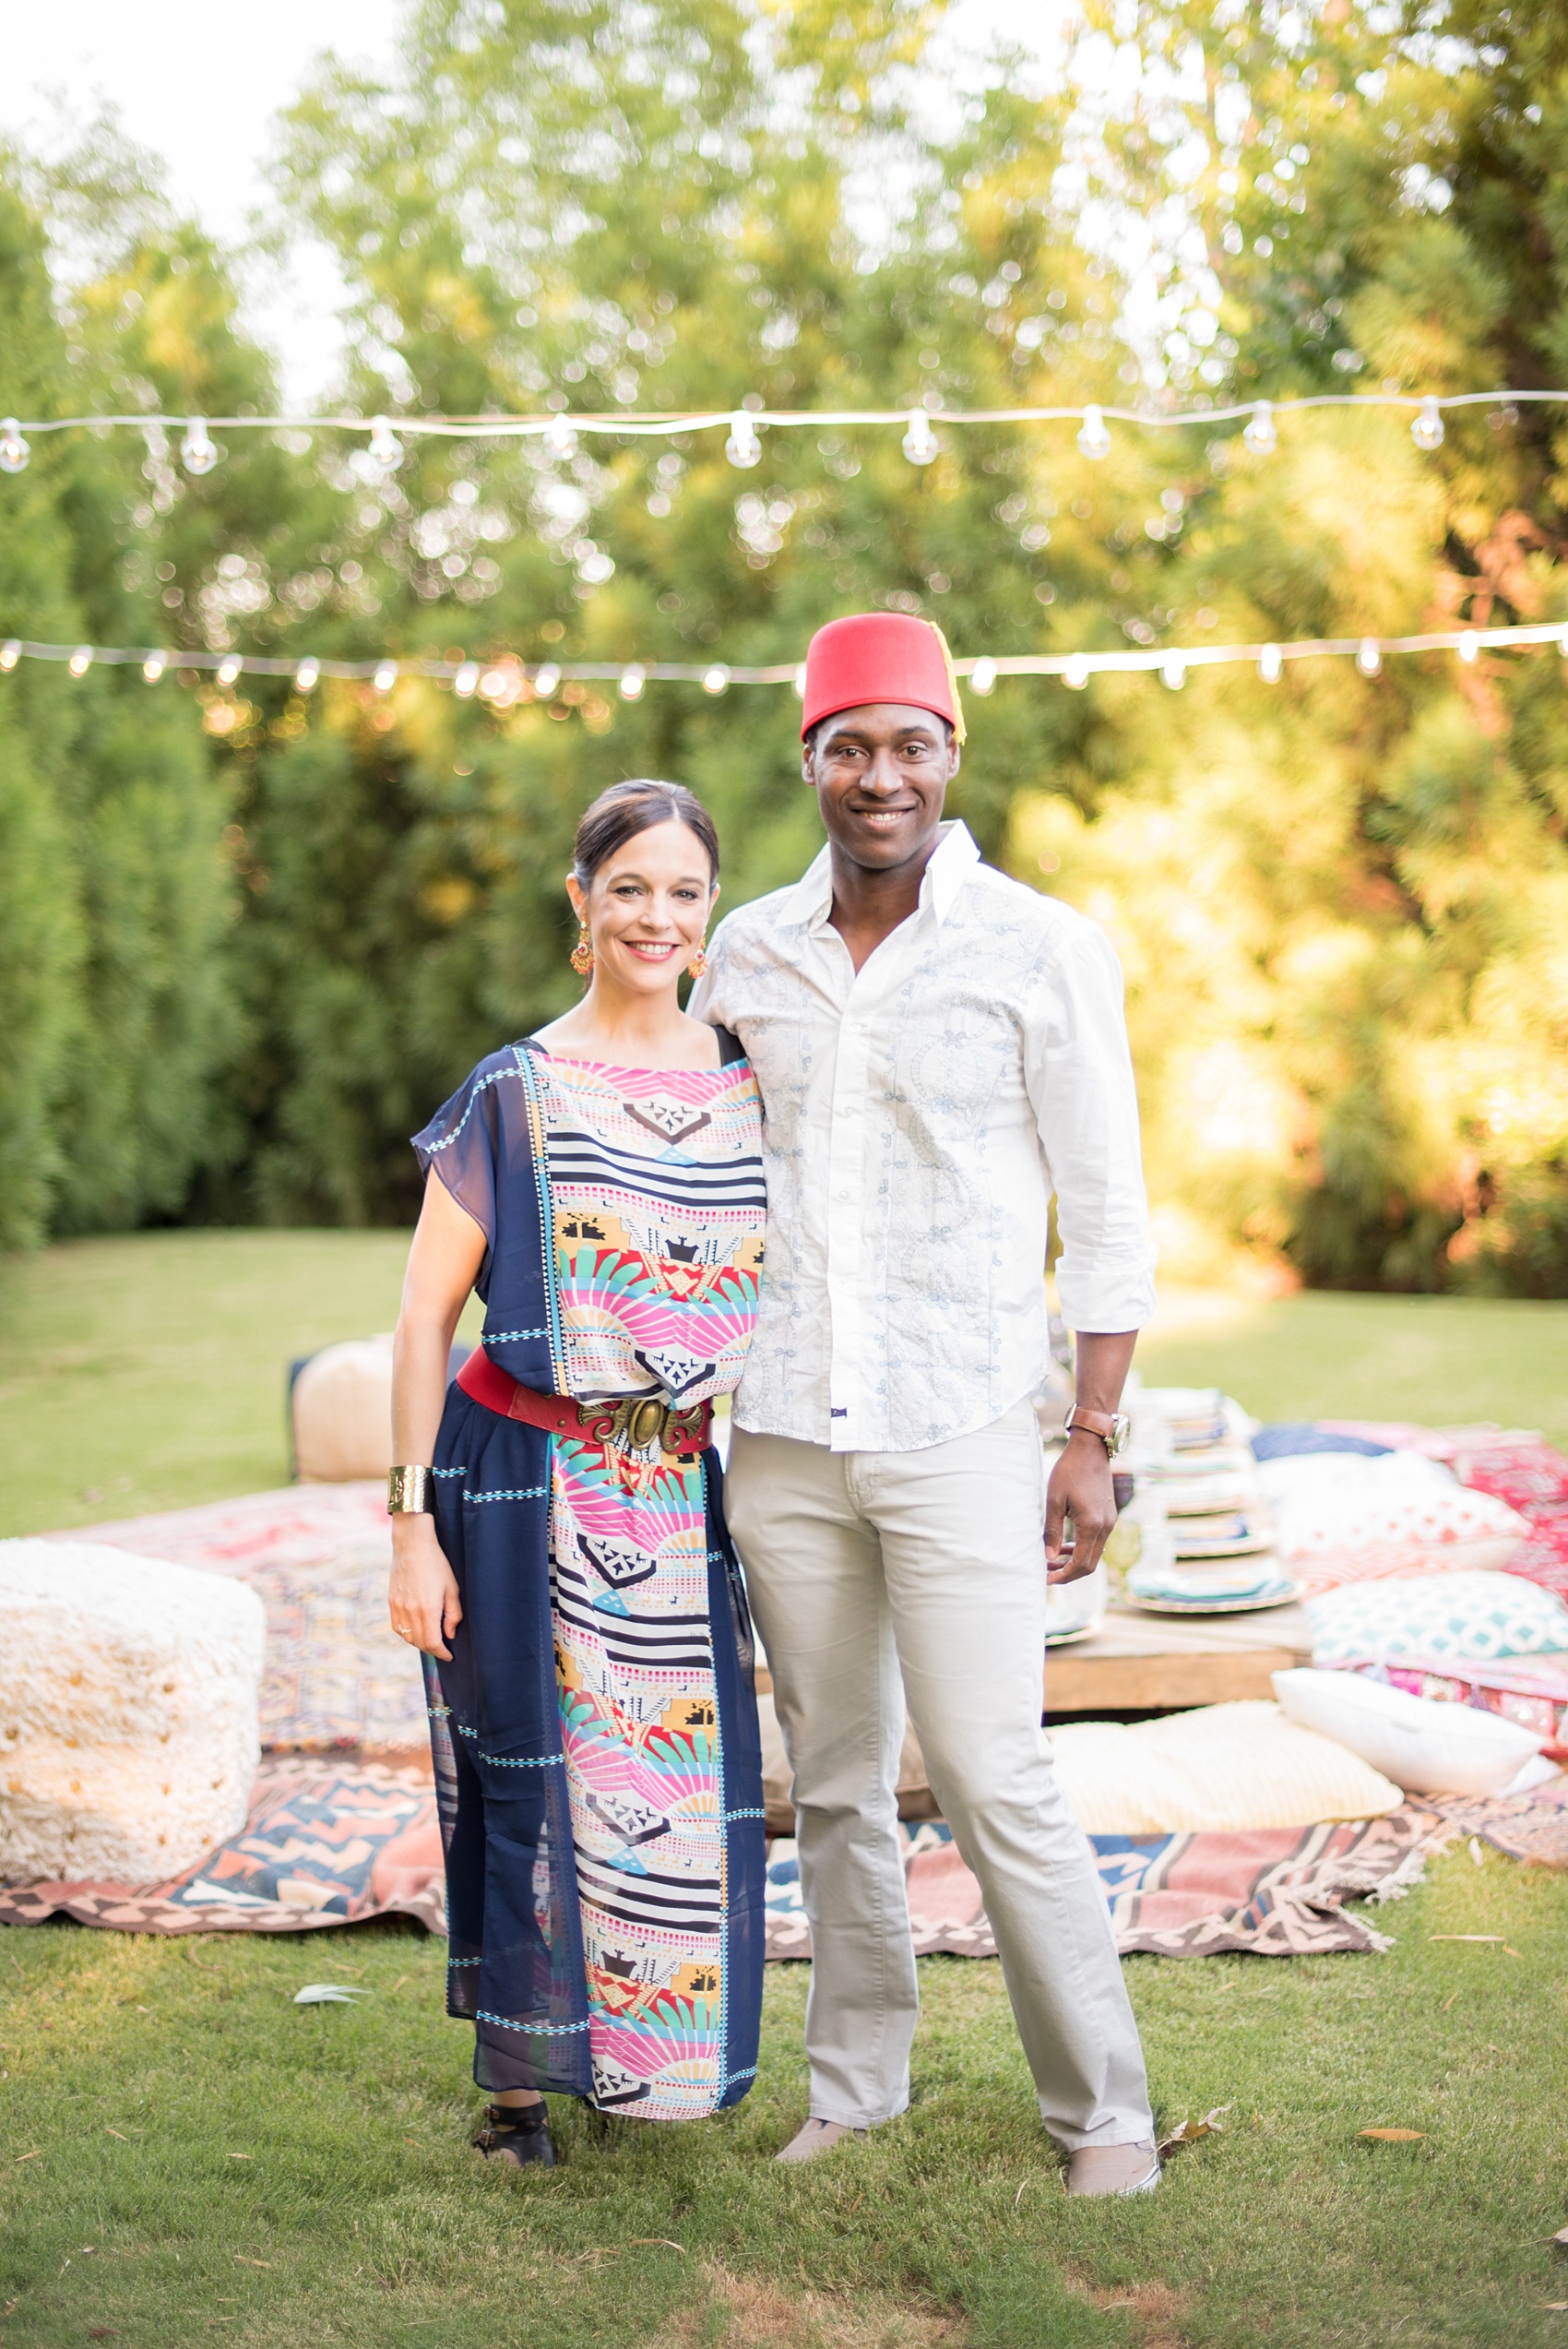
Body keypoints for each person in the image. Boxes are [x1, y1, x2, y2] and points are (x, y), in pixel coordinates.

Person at [690, 613, 1161, 2195]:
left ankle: (1104, 2112)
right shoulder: (746, 946)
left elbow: (1105, 1208)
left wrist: (1090, 1438)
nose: (877, 773)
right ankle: (855, 2087)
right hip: (782, 1430)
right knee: (832, 1780)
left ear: (953, 752)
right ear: (809, 760)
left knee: (991, 1767)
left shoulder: (1041, 945)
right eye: (848, 745)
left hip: (964, 1419)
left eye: (907, 741)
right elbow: (690, 1170)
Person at [387, 780, 767, 2169]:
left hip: (674, 1490)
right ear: (582, 902)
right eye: (629, 888)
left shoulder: (745, 1084)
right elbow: (426, 1316)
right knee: (528, 1773)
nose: (655, 916)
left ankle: (652, 2059)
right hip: (517, 1471)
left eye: (682, 890)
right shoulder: (515, 1087)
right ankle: (518, 2087)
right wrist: (406, 1525)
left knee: (657, 1769)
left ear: (708, 908)